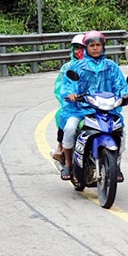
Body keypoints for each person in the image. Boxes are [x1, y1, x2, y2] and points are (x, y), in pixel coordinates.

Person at [60, 30, 128, 181]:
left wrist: (126, 95)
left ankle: (117, 165)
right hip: (81, 110)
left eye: (98, 45)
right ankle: (68, 164)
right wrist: (71, 94)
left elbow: (120, 85)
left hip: (107, 109)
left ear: (103, 47)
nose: (95, 48)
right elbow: (69, 85)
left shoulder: (111, 67)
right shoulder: (77, 66)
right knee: (69, 128)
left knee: (121, 132)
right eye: (92, 45)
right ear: (86, 47)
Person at [52, 34, 85, 164]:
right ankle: (63, 154)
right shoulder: (67, 68)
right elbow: (61, 88)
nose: (79, 51)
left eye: (82, 48)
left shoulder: (99, 67)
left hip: (94, 105)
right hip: (73, 107)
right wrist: (69, 96)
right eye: (76, 48)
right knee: (63, 118)